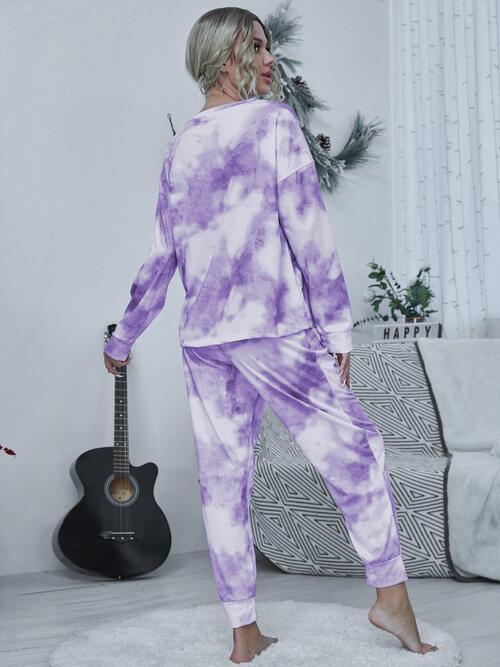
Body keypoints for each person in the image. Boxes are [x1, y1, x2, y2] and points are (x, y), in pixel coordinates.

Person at [103, 7, 438, 664]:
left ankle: (244, 633)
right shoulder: (274, 123)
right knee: (356, 449)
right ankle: (391, 598)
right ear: (227, 56)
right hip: (273, 328)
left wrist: (123, 338)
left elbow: (161, 258)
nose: (268, 60)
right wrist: (338, 330)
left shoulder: (180, 147)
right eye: (256, 48)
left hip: (205, 339)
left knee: (223, 482)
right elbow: (310, 234)